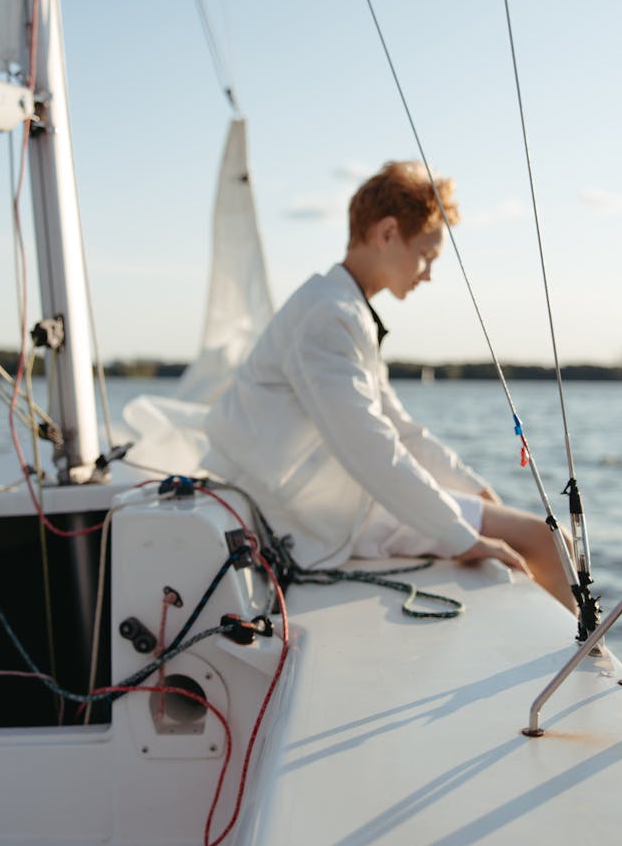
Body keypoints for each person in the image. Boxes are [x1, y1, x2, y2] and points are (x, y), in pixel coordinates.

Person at [202, 161, 575, 612]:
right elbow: (372, 447)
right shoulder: (330, 317)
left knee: (544, 539)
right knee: (548, 541)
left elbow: (396, 425)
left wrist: (471, 488)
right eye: (427, 255)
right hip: (309, 511)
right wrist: (463, 539)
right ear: (387, 233)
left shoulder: (339, 306)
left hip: (332, 496)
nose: (429, 273)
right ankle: (571, 668)